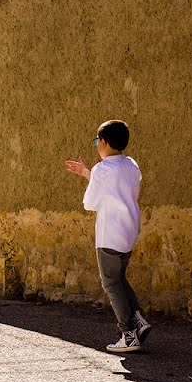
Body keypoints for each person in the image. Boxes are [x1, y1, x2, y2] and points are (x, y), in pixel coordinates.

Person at [66, 119, 151, 353]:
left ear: (103, 142)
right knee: (120, 278)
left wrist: (90, 175)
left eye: (96, 141)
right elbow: (115, 187)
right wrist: (87, 173)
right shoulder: (131, 165)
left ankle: (128, 334)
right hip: (129, 230)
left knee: (111, 283)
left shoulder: (102, 169)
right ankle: (138, 321)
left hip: (109, 233)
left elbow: (89, 203)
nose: (96, 146)